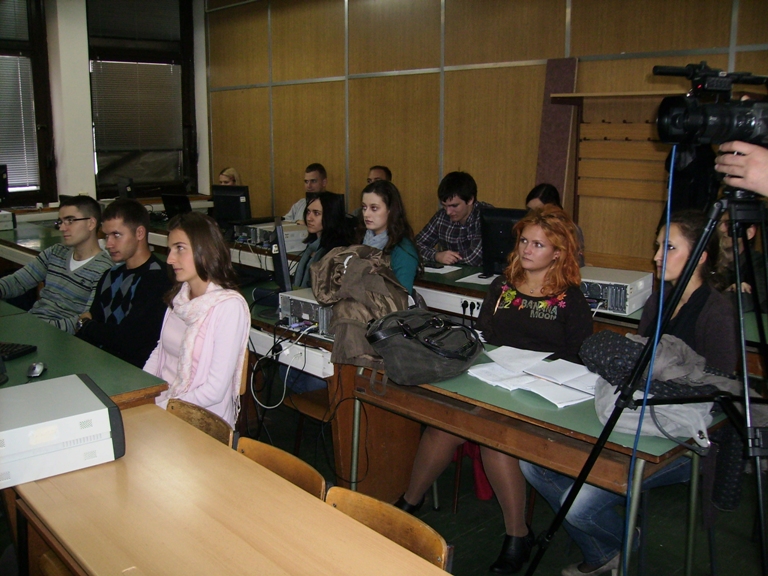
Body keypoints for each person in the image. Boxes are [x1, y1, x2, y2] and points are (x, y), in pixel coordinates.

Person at [521, 209, 737, 576]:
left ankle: (613, 543)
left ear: (700, 256)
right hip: (636, 415)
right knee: (533, 463)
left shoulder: (717, 313)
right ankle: (610, 547)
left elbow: (719, 394)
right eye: (658, 246)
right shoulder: (659, 300)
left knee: (579, 505)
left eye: (669, 248)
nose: (656, 256)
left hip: (682, 436)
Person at [397, 206, 593, 575]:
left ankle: (518, 535)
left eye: (538, 244)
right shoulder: (503, 286)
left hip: (543, 393)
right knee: (443, 426)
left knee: (493, 439)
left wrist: (539, 373)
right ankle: (409, 503)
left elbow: (580, 356)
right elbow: (485, 334)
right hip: (498, 380)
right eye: (524, 241)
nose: (527, 249)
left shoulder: (570, 299)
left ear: (558, 253)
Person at [144, 212, 250, 429]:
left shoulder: (228, 307)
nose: (170, 259)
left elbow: (214, 391)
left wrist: (163, 408)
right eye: (170, 249)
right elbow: (161, 350)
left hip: (201, 418)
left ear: (205, 250)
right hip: (165, 404)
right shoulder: (180, 297)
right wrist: (142, 391)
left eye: (179, 248)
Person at [76, 199, 172, 367]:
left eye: (117, 235)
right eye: (106, 236)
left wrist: (86, 325)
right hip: (99, 362)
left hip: (133, 371)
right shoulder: (110, 275)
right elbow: (94, 328)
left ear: (139, 233)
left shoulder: (158, 279)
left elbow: (129, 341)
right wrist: (90, 327)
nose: (109, 244)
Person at [0, 195, 113, 333]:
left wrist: (35, 327)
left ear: (91, 223)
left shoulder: (104, 269)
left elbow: (85, 320)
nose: (62, 228)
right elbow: (18, 282)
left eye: (70, 221)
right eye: (60, 222)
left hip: (59, 336)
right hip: (34, 325)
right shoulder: (56, 252)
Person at [415, 171, 491, 266]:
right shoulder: (442, 216)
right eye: (444, 205)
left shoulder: (487, 217)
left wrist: (449, 258)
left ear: (470, 200)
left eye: (454, 206)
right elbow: (415, 246)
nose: (448, 212)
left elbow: (474, 258)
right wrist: (436, 256)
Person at [358, 180, 420, 293]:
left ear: (390, 210)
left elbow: (402, 297)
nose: (366, 214)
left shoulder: (403, 250)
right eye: (364, 207)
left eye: (374, 208)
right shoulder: (362, 239)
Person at [293, 192, 352, 289]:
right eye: (308, 212)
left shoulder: (337, 250)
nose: (309, 218)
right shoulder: (313, 244)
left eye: (316, 213)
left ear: (330, 216)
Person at [717, 211, 767, 314]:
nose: (720, 229)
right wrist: (727, 292)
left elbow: (747, 301)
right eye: (718, 223)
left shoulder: (760, 265)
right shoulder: (704, 260)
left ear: (749, 232)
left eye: (729, 224)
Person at [525, 183, 585, 267]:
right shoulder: (526, 227)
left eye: (539, 210)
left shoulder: (570, 229)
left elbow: (576, 263)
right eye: (530, 210)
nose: (533, 215)